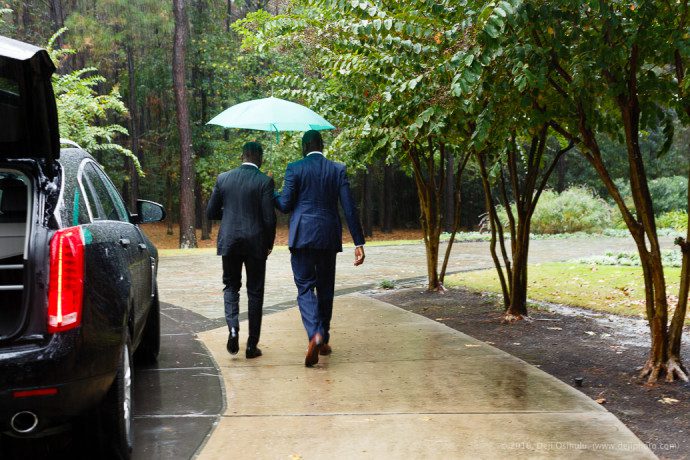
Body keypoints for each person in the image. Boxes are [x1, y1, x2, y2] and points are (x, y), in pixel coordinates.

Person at [275, 130, 365, 367]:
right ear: (322, 146)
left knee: (305, 287)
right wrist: (358, 241)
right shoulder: (337, 169)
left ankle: (314, 333)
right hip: (327, 236)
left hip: (302, 235)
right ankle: (323, 339)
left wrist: (273, 191)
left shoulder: (294, 168)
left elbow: (284, 205)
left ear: (304, 148)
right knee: (325, 288)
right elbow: (349, 207)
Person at [207, 141, 276, 359]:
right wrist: (269, 243)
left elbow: (211, 212)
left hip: (229, 241)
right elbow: (269, 219)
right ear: (260, 159)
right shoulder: (265, 181)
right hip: (256, 242)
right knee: (255, 292)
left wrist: (229, 215)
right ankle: (251, 345)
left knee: (230, 285)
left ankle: (233, 328)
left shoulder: (223, 178)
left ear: (242, 156)